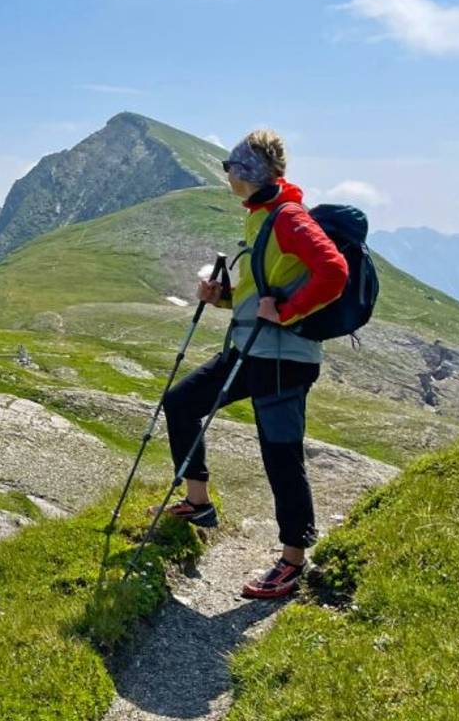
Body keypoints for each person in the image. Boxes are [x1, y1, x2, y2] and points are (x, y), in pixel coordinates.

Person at [152, 129, 348, 599]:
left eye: (232, 168)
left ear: (250, 174)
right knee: (180, 403)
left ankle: (293, 561)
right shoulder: (261, 217)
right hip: (250, 350)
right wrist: (223, 298)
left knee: (281, 456)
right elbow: (265, 287)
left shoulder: (288, 218)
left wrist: (285, 312)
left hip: (283, 359)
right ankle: (198, 504)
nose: (226, 175)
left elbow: (334, 271)